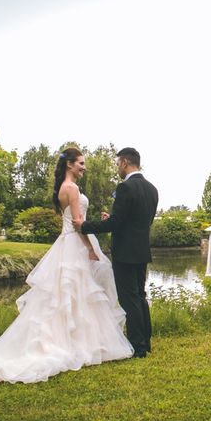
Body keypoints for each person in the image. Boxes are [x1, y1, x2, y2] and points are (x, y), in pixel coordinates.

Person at [0, 147, 134, 383]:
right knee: (78, 292)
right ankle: (77, 343)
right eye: (81, 163)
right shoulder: (71, 188)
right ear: (70, 164)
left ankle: (74, 340)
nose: (84, 167)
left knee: (70, 294)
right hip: (76, 243)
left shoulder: (64, 187)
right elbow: (77, 223)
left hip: (67, 243)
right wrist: (91, 248)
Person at [74, 147, 158, 358]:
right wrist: (112, 219)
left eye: (118, 163)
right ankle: (145, 342)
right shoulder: (152, 189)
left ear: (124, 163)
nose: (117, 168)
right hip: (141, 251)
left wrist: (84, 226)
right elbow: (138, 221)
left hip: (125, 253)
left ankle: (137, 348)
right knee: (140, 296)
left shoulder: (125, 188)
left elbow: (116, 223)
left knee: (129, 299)